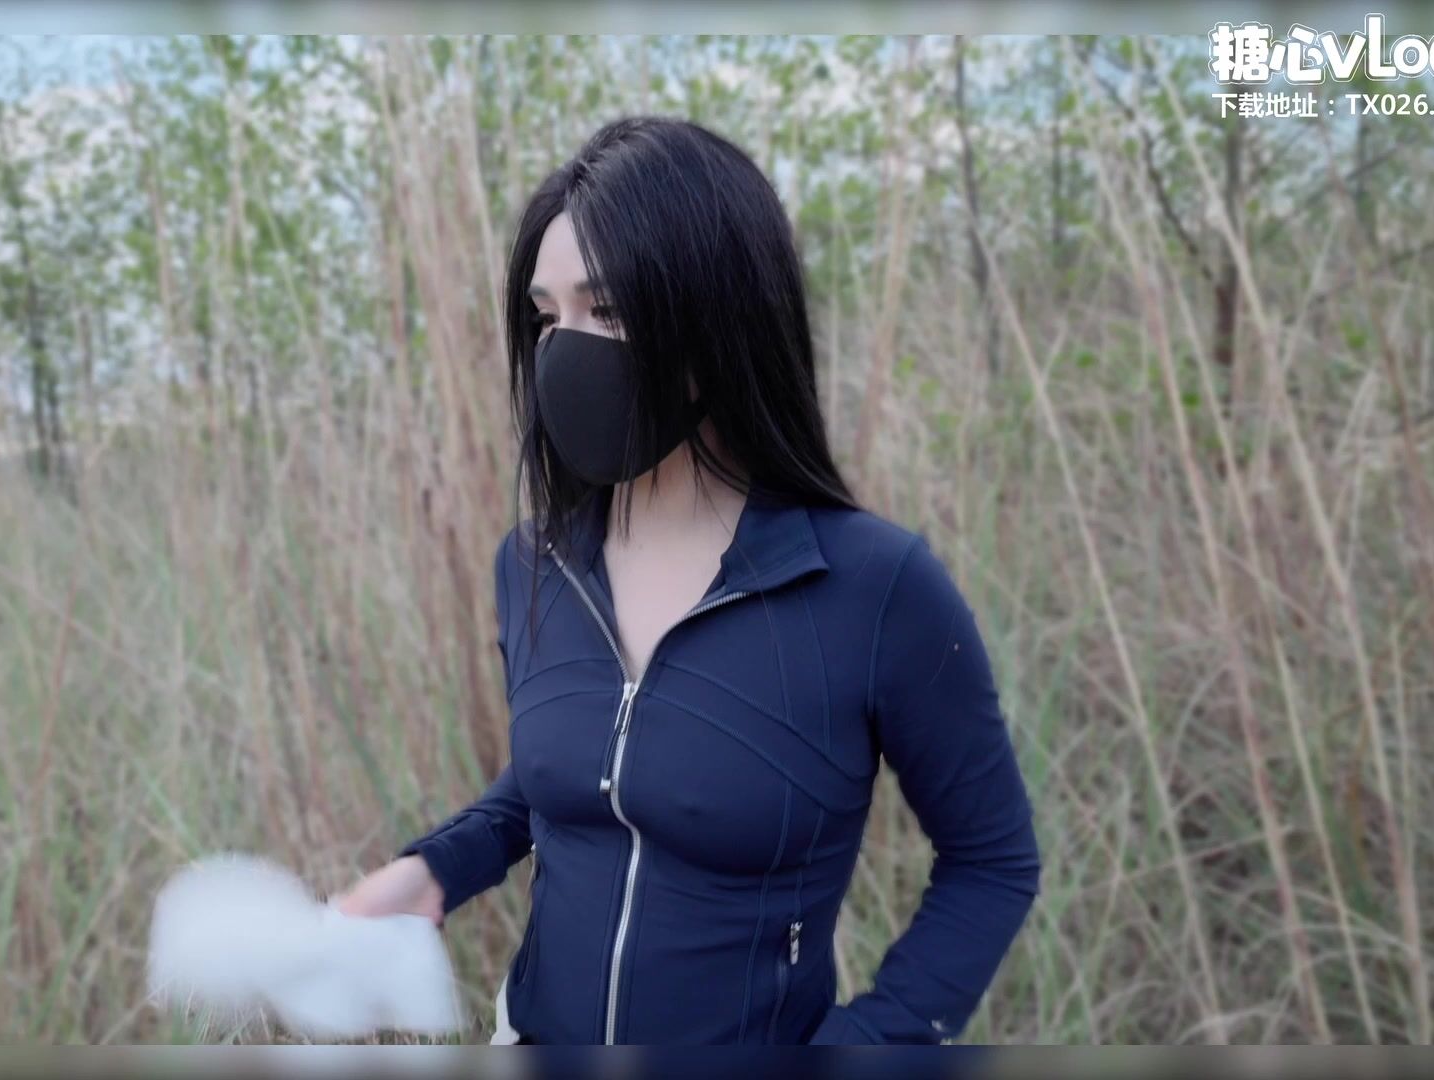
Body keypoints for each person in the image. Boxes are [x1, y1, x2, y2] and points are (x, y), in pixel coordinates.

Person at [334, 115, 1041, 1045]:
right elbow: (576, 772)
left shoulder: (875, 588)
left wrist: (868, 1044)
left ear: (718, 318)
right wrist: (434, 871)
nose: (566, 350)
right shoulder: (535, 564)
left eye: (607, 310)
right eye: (547, 318)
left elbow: (992, 861)